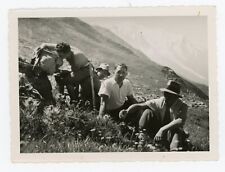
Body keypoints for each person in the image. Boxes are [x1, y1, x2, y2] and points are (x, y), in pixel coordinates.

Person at [119, 80, 188, 151]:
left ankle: (173, 151)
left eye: (169, 95)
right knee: (147, 112)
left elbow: (180, 121)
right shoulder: (161, 101)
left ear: (176, 97)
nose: (166, 96)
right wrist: (127, 111)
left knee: (177, 130)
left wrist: (162, 130)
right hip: (157, 129)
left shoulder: (182, 106)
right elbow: (139, 106)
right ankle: (142, 136)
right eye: (165, 93)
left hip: (170, 132)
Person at [32, 42, 101, 106]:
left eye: (62, 56)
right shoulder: (63, 48)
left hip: (85, 69)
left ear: (67, 53)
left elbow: (74, 72)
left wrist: (62, 71)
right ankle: (61, 96)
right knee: (60, 76)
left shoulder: (76, 57)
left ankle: (74, 100)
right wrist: (39, 52)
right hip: (77, 68)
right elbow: (44, 44)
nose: (61, 57)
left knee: (67, 80)